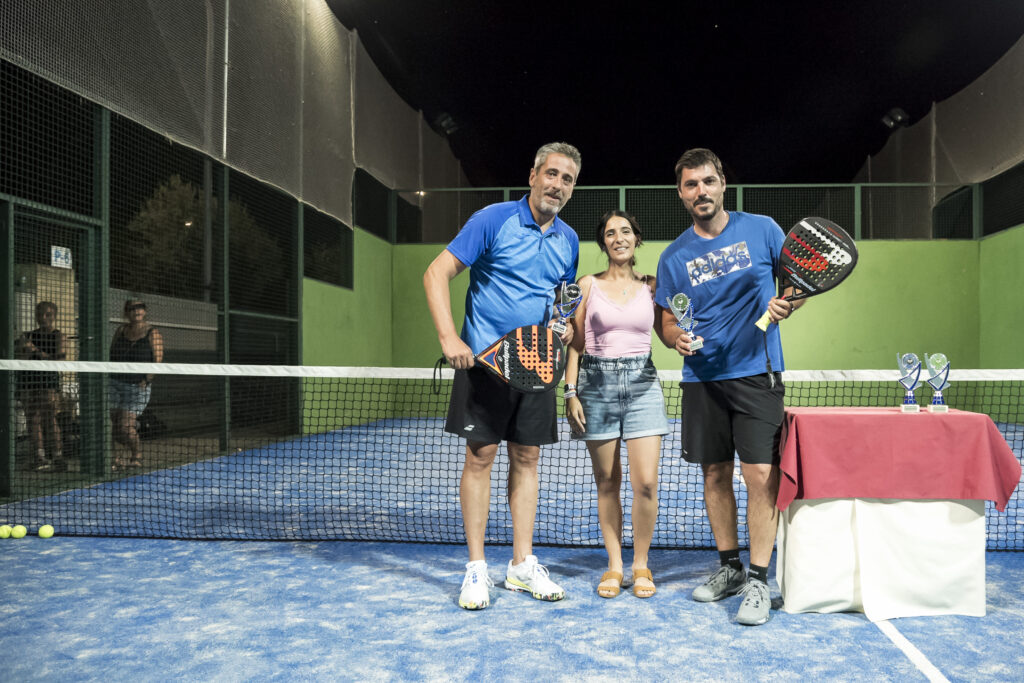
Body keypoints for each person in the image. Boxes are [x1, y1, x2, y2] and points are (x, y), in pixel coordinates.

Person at [423, 142, 581, 610]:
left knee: (528, 459)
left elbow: (561, 303)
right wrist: (450, 338)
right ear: (532, 175)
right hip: (486, 365)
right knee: (480, 458)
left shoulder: (568, 240)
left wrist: (563, 326)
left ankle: (521, 565)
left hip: (537, 368)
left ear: (573, 188)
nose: (557, 184)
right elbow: (436, 274)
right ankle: (476, 569)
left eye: (567, 179)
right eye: (551, 174)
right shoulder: (492, 219)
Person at [654, 148, 801, 626]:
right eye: (691, 184)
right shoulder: (674, 255)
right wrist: (675, 338)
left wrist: (788, 304)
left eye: (709, 182)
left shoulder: (762, 229)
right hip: (702, 380)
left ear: (723, 185)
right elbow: (666, 318)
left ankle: (760, 578)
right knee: (714, 475)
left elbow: (794, 282)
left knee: (760, 475)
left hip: (757, 372)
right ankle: (730, 568)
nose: (701, 191)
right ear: (681, 193)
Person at [564, 210, 668, 599]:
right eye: (610, 233)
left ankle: (641, 564)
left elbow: (672, 331)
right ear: (603, 242)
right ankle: (614, 565)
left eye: (626, 231)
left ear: (637, 239)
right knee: (607, 482)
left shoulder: (653, 287)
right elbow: (575, 341)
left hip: (643, 385)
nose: (618, 237)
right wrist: (570, 391)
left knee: (646, 483)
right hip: (595, 385)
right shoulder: (586, 285)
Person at [109, 298, 164, 470]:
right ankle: (114, 458)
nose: (136, 310)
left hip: (137, 387)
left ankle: (136, 455)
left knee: (125, 426)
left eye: (140, 307)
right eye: (132, 308)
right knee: (109, 424)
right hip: (114, 383)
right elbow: (111, 353)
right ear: (127, 313)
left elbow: (158, 360)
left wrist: (147, 379)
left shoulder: (153, 333)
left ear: (145, 311)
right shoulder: (121, 330)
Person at [16, 301, 66, 471]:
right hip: (29, 382)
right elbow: (21, 359)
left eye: (48, 315)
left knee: (50, 418)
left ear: (54, 316)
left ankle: (58, 457)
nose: (43, 318)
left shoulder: (58, 335)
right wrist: (24, 351)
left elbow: (59, 360)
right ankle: (39, 457)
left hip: (48, 383)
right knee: (33, 418)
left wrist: (36, 351)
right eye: (40, 314)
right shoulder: (29, 335)